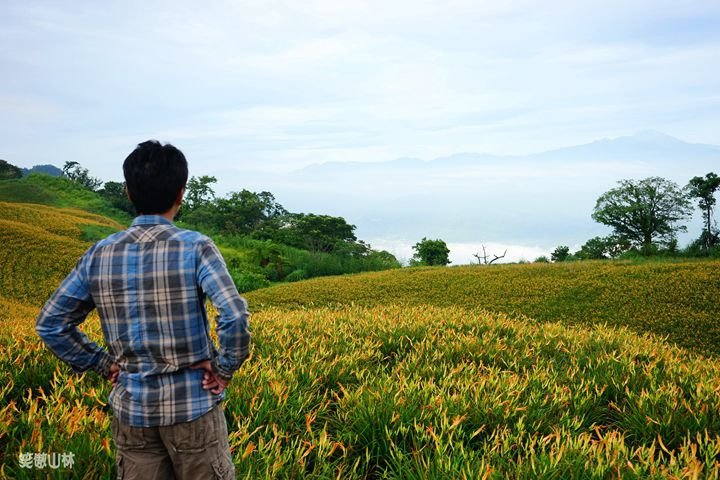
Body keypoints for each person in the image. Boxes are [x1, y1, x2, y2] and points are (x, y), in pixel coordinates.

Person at [35, 140, 251, 479]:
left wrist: (102, 363)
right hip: (193, 409)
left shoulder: (99, 254)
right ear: (181, 193)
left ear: (128, 192)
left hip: (132, 413)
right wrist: (223, 370)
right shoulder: (196, 247)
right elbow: (234, 315)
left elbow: (51, 324)